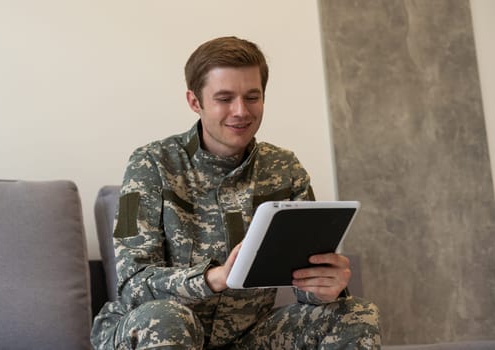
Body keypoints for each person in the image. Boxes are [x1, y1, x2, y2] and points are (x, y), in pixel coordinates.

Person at [91, 36, 380, 349]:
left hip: (246, 337)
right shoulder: (150, 163)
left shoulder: (284, 168)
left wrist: (326, 287)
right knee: (167, 319)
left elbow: (304, 284)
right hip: (152, 330)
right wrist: (216, 277)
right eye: (225, 98)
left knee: (356, 313)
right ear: (194, 101)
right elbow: (133, 285)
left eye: (252, 97)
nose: (241, 111)